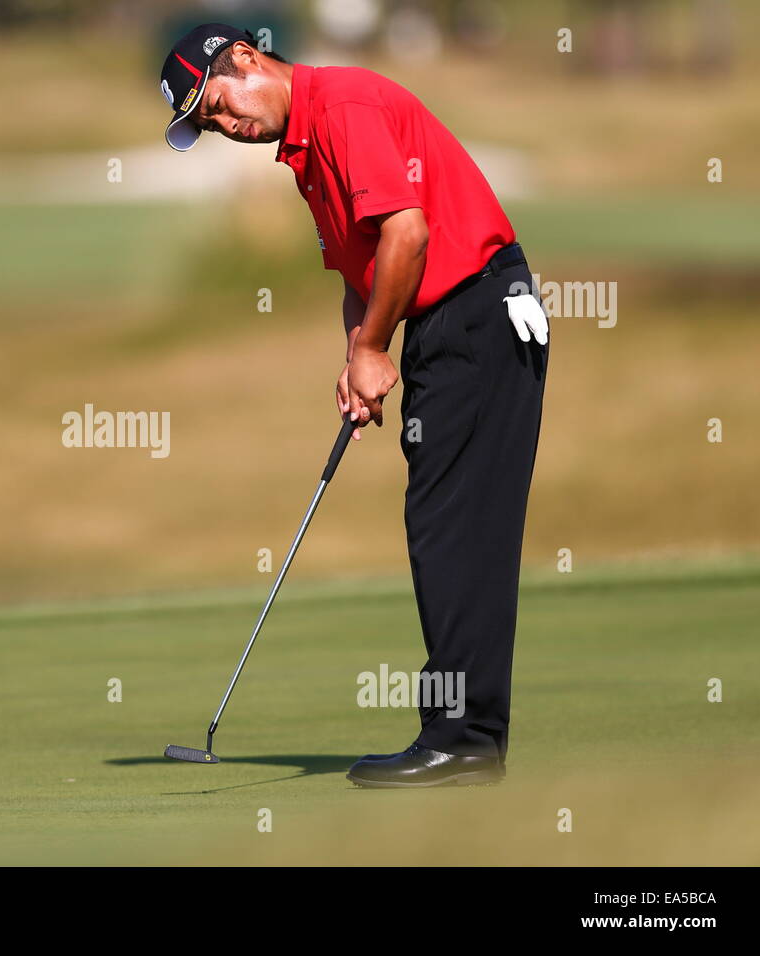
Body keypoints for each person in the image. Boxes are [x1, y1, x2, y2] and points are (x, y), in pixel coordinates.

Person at [159, 24, 549, 788]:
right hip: (452, 328)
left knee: (455, 530)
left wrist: (375, 351)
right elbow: (361, 270)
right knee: (443, 525)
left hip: (476, 316)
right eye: (209, 124)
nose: (226, 125)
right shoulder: (305, 152)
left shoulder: (343, 106)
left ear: (243, 57)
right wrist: (356, 354)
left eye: (219, 104)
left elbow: (409, 233)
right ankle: (465, 735)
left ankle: (464, 738)